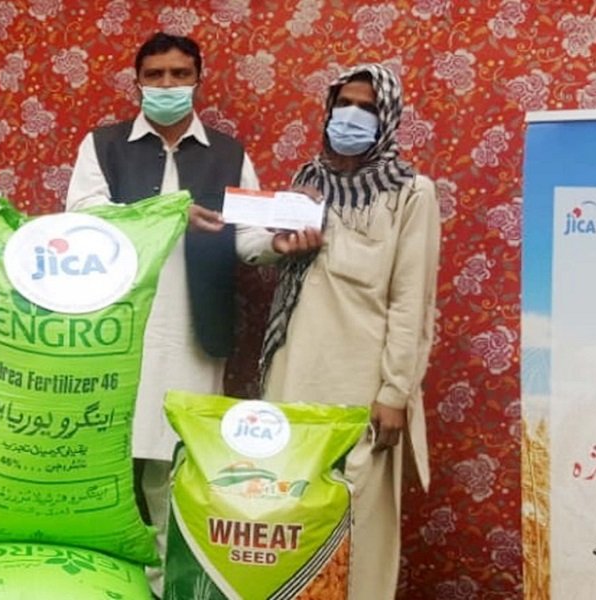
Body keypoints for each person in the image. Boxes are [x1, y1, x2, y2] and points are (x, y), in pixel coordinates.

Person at [65, 32, 316, 596]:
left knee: (175, 462)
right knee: (108, 457)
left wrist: (276, 246)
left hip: (192, 331)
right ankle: (105, 581)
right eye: (154, 75)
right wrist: (173, 211)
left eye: (179, 74)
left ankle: (164, 583)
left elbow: (248, 234)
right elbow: (84, 215)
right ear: (137, 82)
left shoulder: (227, 153)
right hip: (116, 330)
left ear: (198, 79)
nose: (167, 85)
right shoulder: (103, 145)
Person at [259, 63, 440, 599]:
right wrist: (276, 243)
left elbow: (411, 300)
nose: (352, 116)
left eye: (367, 107)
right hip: (292, 376)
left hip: (361, 387)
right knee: (288, 511)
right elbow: (265, 250)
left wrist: (395, 392)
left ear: (388, 118)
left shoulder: (411, 192)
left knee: (359, 520)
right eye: (344, 104)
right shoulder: (307, 185)